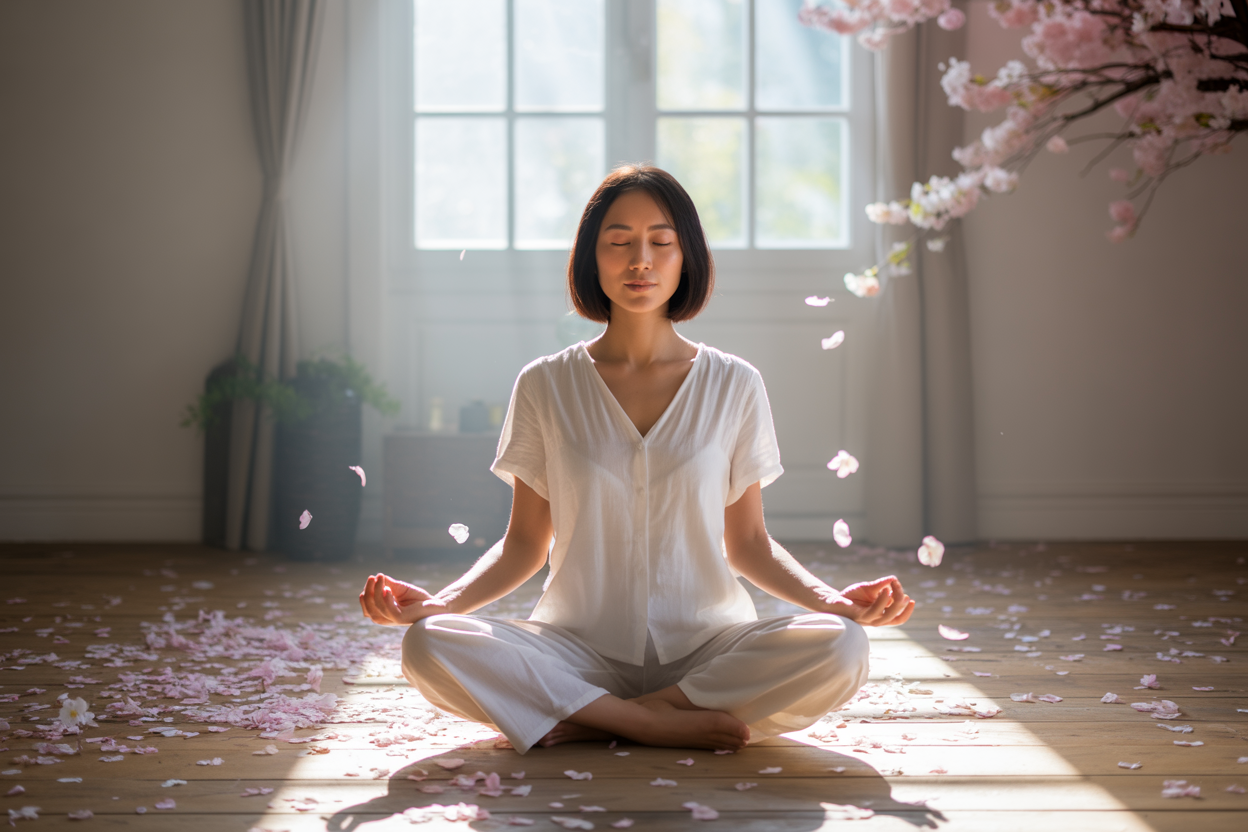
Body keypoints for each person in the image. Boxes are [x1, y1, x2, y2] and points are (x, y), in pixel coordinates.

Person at [359, 165, 914, 755]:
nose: (640, 260)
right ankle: (646, 724)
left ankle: (604, 717)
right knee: (427, 643)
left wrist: (831, 602)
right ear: (592, 260)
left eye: (661, 242)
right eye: (618, 242)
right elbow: (525, 543)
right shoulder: (545, 384)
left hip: (708, 652)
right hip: (576, 650)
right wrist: (439, 604)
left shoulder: (734, 384)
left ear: (686, 256)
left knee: (844, 645)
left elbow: (747, 541)